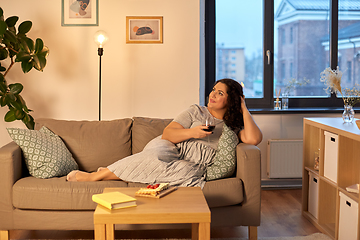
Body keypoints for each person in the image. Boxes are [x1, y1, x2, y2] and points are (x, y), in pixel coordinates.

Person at [67, 78, 262, 184]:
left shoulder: (231, 127)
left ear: (232, 99)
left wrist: (244, 107)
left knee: (185, 171)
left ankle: (109, 171)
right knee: (155, 158)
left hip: (190, 162)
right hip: (170, 146)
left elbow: (254, 139)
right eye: (213, 90)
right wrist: (193, 132)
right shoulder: (196, 111)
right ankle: (93, 176)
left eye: (220, 93)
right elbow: (169, 134)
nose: (212, 95)